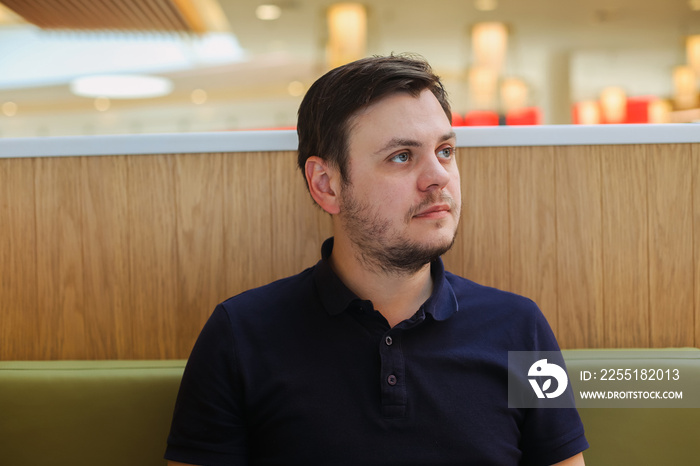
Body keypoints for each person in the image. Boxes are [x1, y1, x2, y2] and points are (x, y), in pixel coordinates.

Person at [165, 54, 588, 466]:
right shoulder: (240, 336)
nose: (438, 177)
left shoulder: (521, 330)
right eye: (401, 156)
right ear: (326, 185)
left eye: (445, 151)